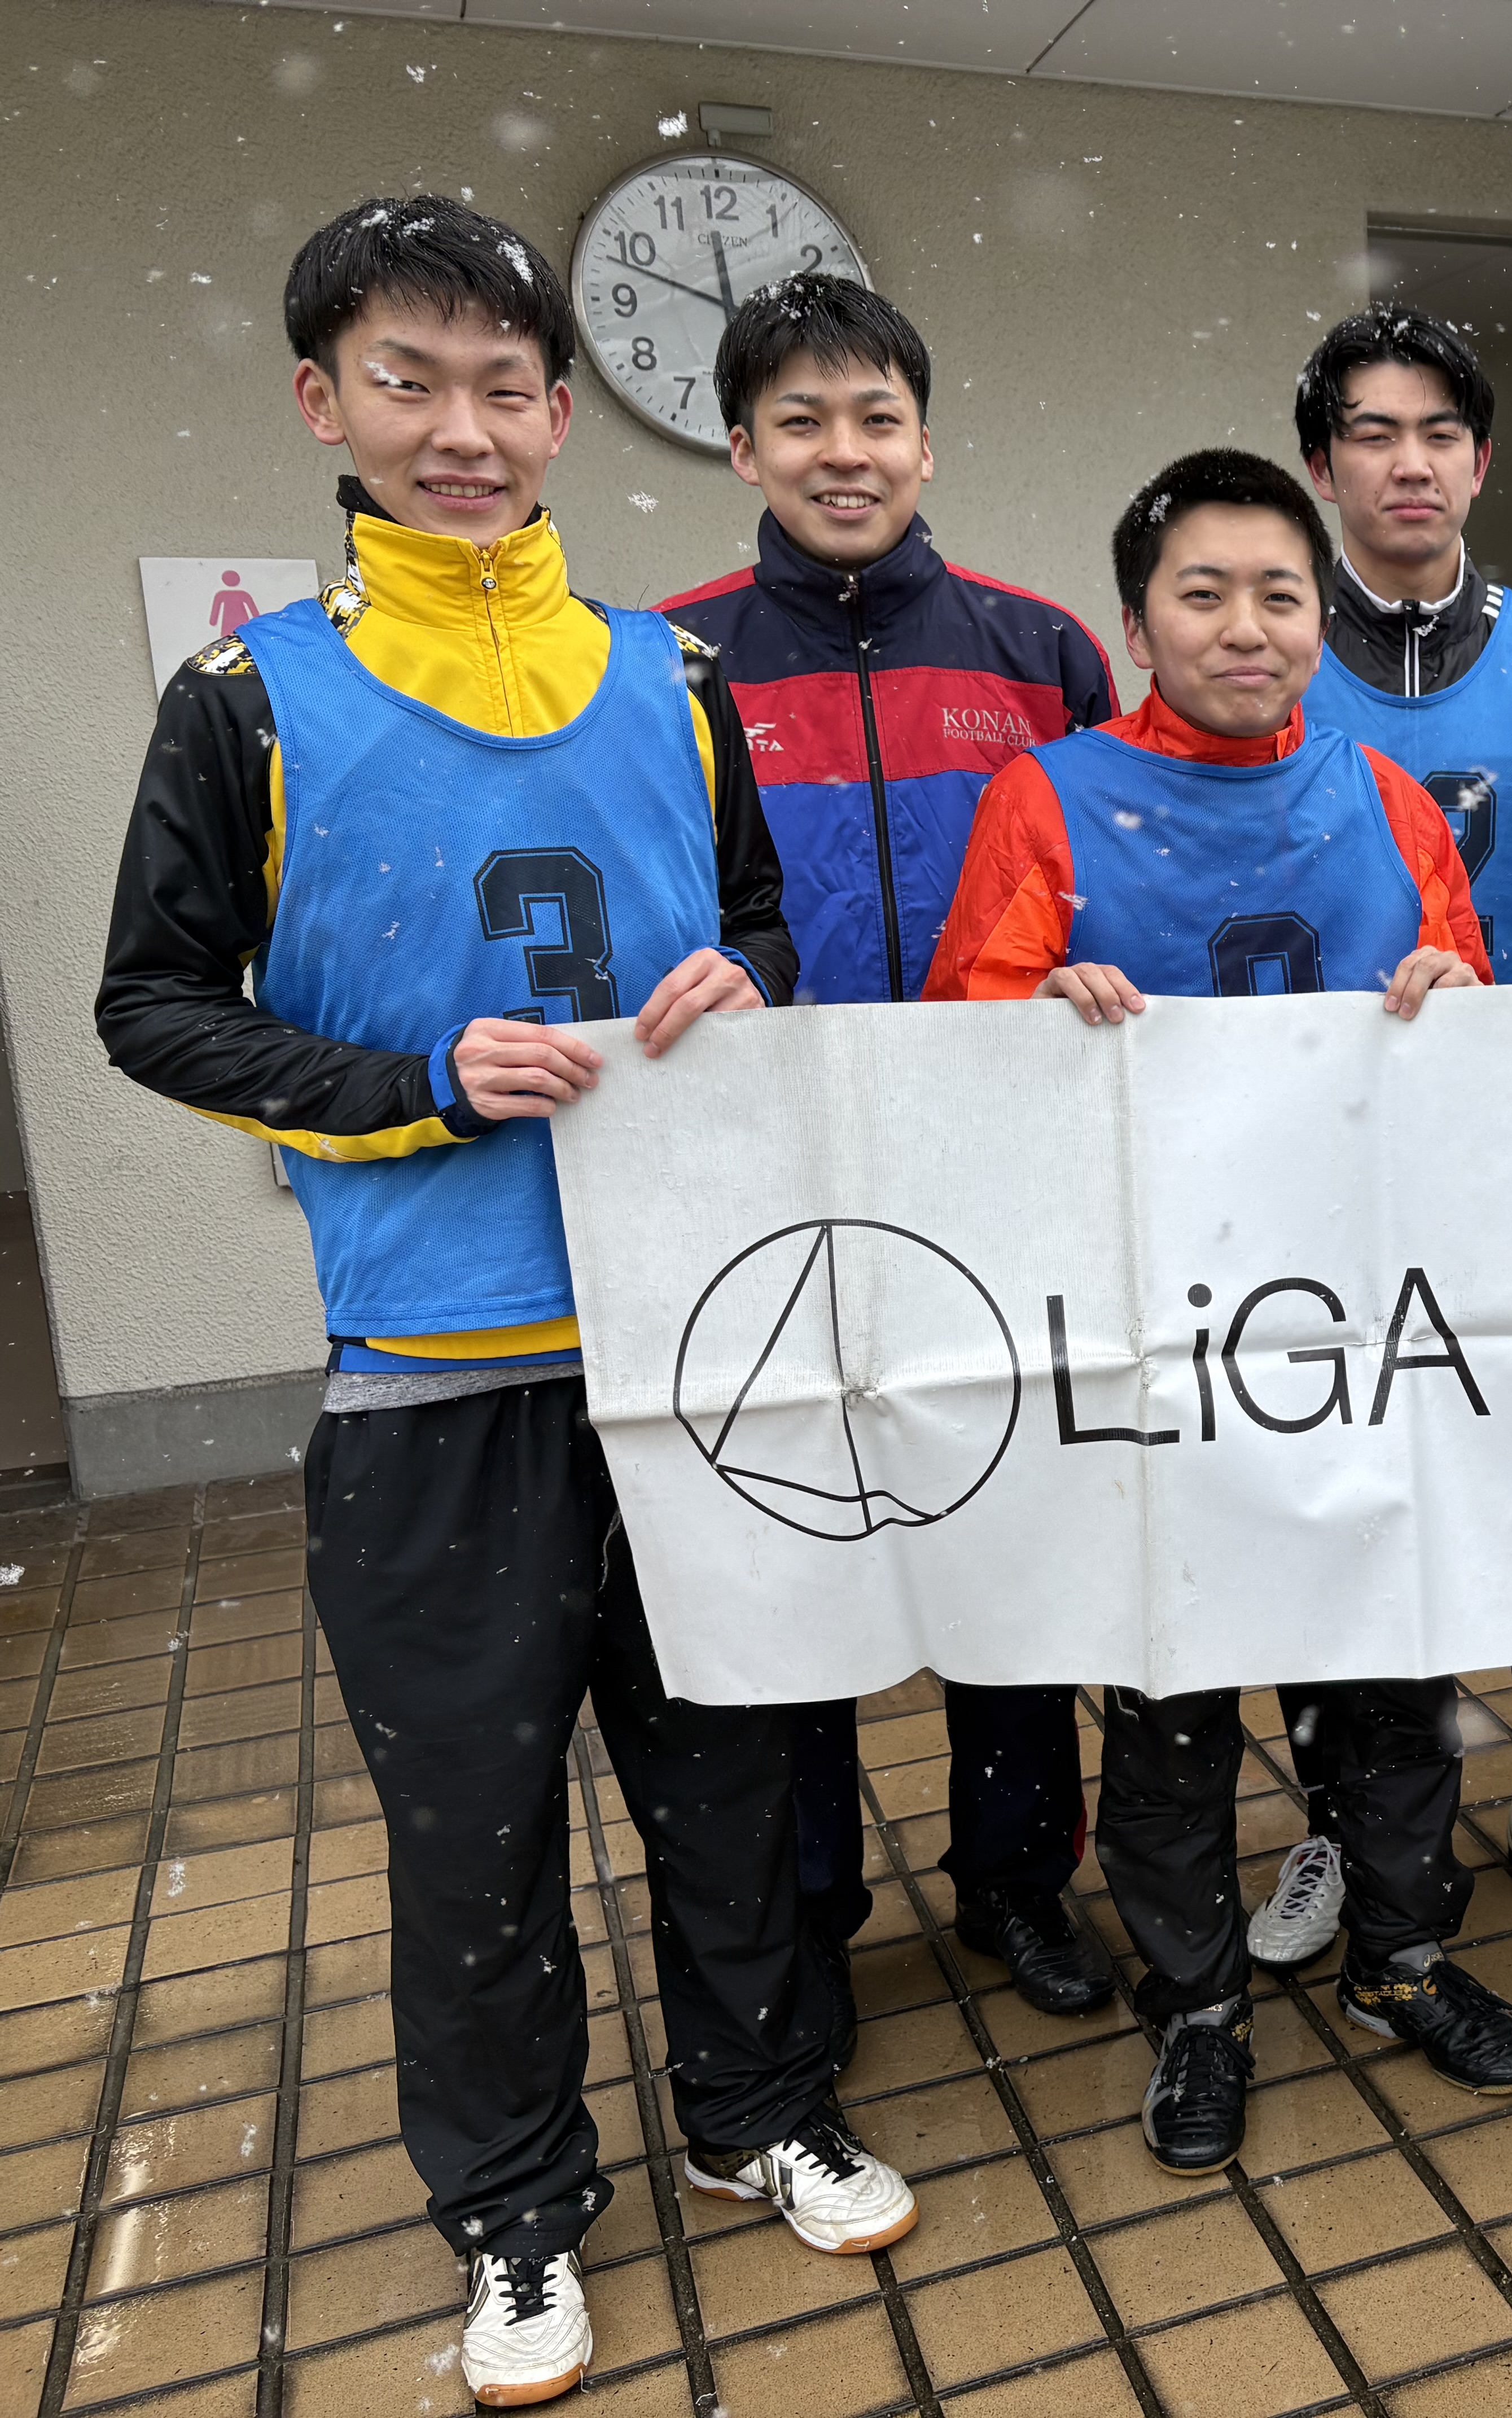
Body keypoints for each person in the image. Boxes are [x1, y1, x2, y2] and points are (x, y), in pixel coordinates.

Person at [95, 198, 915, 2410]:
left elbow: (756, 918)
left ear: (562, 414)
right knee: (472, 1835)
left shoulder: (677, 680)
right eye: (407, 383)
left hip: (687, 1346)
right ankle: (518, 2213)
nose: (459, 431)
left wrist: (744, 974)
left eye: (501, 389)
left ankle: (758, 2111)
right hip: (430, 1373)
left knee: (733, 1778)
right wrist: (410, 1086)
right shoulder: (250, 702)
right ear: (323, 403)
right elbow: (154, 1006)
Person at [924, 448, 1512, 2174]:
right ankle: (1195, 2001)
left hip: (1357, 1325)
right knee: (1170, 1697)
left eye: (1281, 593)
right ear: (1136, 623)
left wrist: (1452, 993)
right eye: (1203, 594)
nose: (1248, 627)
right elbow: (962, 1059)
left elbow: (1475, 1039)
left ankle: (1400, 1959)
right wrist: (1034, 1016)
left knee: (1393, 1672)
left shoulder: (1390, 799)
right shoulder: (1048, 800)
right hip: (1151, 1339)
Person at [662, 274, 1120, 2036]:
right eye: (801, 421)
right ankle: (807, 1918)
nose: (841, 454)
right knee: (788, 1547)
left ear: (927, 442)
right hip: (759, 1185)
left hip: (999, 1174)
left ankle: (1017, 1878)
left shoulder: (1038, 652)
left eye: (876, 419)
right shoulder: (671, 662)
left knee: (1005, 1531)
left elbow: (1107, 883)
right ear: (742, 449)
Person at [1235, 305, 1512, 1964]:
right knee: (1330, 1471)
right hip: (1315, 1149)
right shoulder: (1266, 659)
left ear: (1480, 462)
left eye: (1438, 435)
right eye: (1371, 434)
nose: (1407, 464)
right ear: (1321, 464)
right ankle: (1339, 1816)